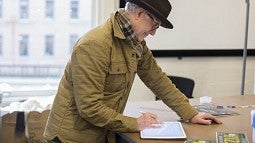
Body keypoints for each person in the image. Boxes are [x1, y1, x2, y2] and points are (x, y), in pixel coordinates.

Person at [43, 0, 222, 142]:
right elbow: (89, 108)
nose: (153, 33)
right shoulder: (94, 45)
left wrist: (191, 114)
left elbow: (158, 79)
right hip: (71, 138)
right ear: (139, 14)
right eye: (155, 25)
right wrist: (135, 123)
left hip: (101, 133)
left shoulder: (135, 43)